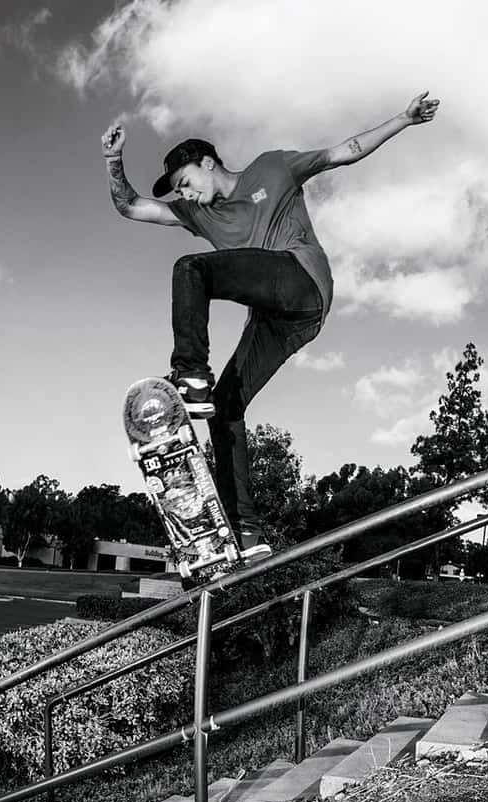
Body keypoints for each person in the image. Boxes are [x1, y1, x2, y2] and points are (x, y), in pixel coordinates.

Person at [100, 92, 441, 561]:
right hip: (282, 323)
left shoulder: (273, 167)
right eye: (179, 192)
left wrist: (403, 119)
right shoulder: (198, 215)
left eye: (185, 182)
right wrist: (113, 160)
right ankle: (245, 533)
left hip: (301, 281)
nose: (185, 195)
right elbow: (130, 207)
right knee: (225, 407)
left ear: (207, 161)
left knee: (191, 270)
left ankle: (190, 372)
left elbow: (346, 151)